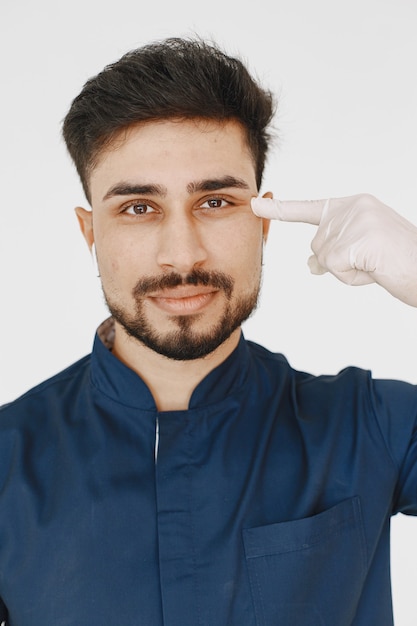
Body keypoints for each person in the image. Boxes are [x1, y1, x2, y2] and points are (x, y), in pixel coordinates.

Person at [0, 37, 416, 626]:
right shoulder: (7, 461)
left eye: (216, 202)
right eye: (139, 207)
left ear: (264, 222)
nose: (182, 253)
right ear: (90, 232)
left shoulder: (371, 426)